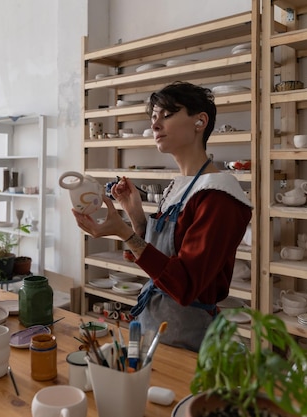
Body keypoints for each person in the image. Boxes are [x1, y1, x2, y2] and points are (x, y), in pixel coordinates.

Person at [72, 81, 252, 351]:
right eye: (153, 117)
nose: (155, 125)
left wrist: (124, 233)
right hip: (154, 325)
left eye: (167, 115)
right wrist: (135, 216)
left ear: (200, 121)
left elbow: (184, 285)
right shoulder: (179, 186)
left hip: (187, 335)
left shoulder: (218, 195)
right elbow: (160, 261)